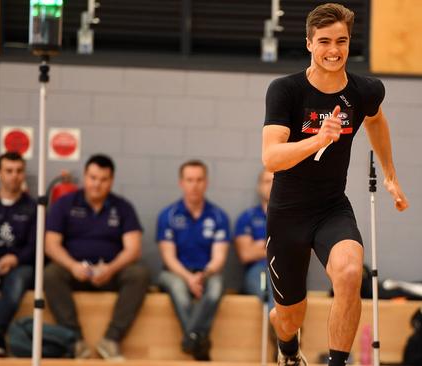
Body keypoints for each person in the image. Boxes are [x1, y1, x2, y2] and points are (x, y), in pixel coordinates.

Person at [262, 3, 409, 366]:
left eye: (341, 41)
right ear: (309, 43)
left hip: (331, 207)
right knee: (289, 316)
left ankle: (337, 363)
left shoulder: (365, 90)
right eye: (324, 41)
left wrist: (390, 173)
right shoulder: (285, 91)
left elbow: (375, 121)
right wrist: (317, 140)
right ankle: (289, 351)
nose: (334, 50)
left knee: (348, 271)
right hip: (288, 213)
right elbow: (271, 158)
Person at [44, 154, 150, 360]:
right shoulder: (64, 204)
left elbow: (133, 248)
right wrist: (73, 266)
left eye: (103, 179)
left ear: (111, 180)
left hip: (110, 272)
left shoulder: (123, 207)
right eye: (93, 178)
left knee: (140, 273)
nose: (97, 184)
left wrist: (111, 268)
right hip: (74, 271)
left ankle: (111, 339)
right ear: (85, 177)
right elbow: (50, 245)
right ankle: (74, 340)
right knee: (50, 274)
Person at [156, 159, 229, 361]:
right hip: (175, 273)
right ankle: (199, 342)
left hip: (206, 273)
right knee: (179, 290)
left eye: (199, 180)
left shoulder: (218, 216)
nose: (194, 185)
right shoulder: (167, 215)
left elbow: (219, 258)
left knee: (216, 287)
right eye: (189, 180)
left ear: (206, 182)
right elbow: (168, 257)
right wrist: (189, 278)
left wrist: (202, 276)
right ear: (181, 183)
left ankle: (190, 339)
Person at [0, 152, 36, 357]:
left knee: (17, 282)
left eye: (19, 171)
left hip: (20, 265)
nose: (14, 175)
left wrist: (15, 259)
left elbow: (35, 245)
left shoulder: (33, 207)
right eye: (9, 171)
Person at [234, 169, 274, 308]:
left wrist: (261, 246)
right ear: (259, 186)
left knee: (279, 285)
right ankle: (286, 329)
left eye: (276, 181)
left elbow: (300, 253)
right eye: (267, 181)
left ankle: (283, 327)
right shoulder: (247, 217)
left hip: (285, 270)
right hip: (257, 271)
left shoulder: (293, 217)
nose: (272, 185)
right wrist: (279, 248)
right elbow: (245, 255)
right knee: (269, 289)